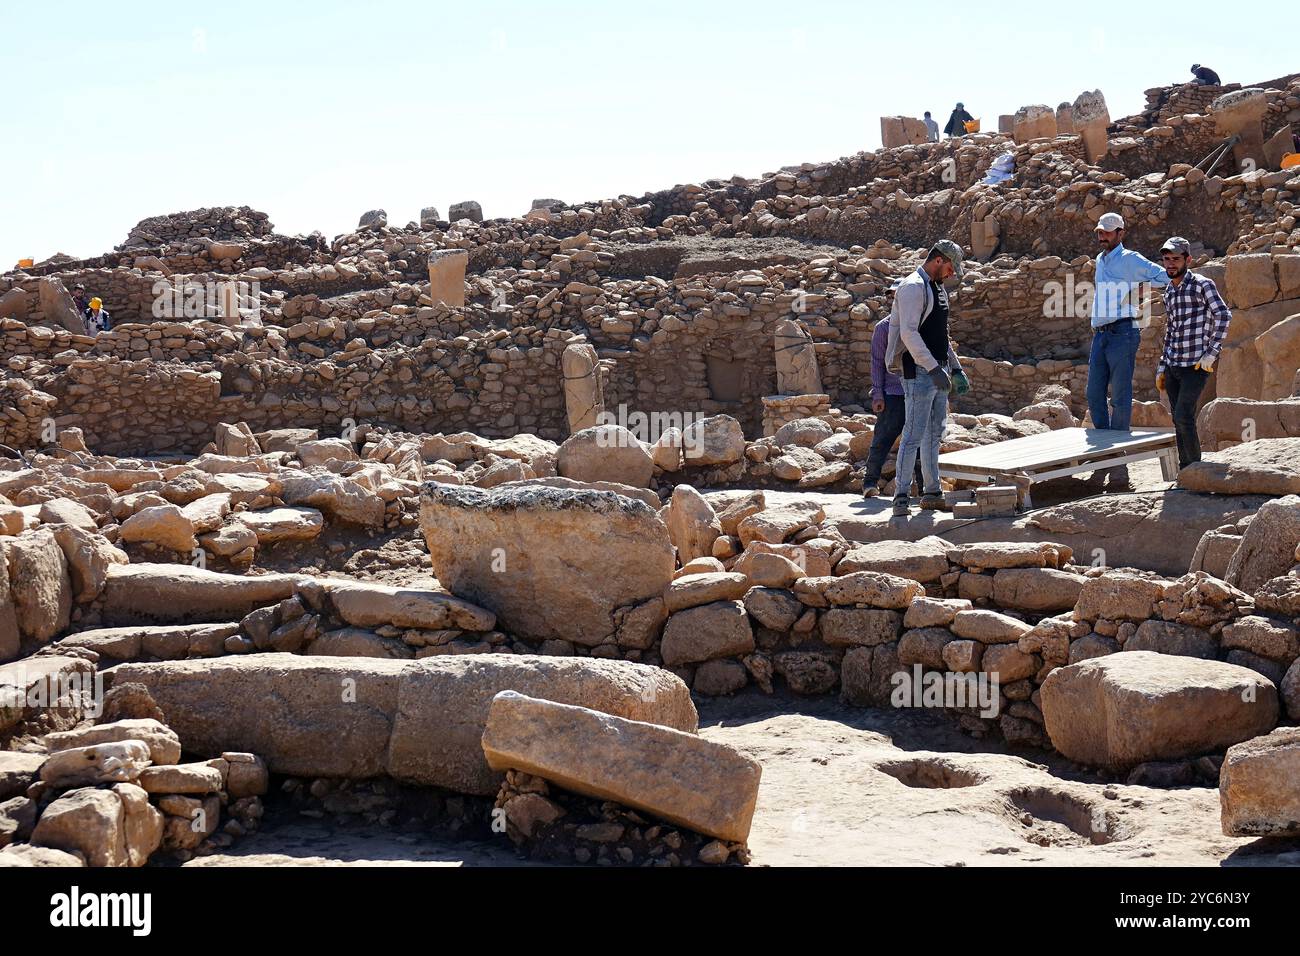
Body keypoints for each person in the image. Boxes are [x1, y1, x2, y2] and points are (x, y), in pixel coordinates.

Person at [885, 239, 971, 517]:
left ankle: (932, 492)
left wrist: (954, 367)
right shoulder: (912, 287)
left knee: (934, 434)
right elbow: (909, 334)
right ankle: (901, 496)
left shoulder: (937, 287)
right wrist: (933, 368)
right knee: (913, 434)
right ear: (937, 260)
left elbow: (939, 336)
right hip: (918, 370)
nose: (951, 273)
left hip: (938, 368)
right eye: (949, 267)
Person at [1087, 212, 1170, 490]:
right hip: (1100, 335)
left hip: (1123, 332)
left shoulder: (1131, 259)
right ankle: (1106, 457)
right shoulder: (1100, 259)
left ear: (1121, 233)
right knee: (1094, 394)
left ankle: (1118, 469)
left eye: (1108, 232)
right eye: (1100, 231)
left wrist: (1142, 289)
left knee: (1120, 398)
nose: (1102, 236)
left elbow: (1163, 277)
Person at [1156, 236, 1231, 470]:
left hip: (1196, 366)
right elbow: (1172, 329)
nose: (1170, 264)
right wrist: (1162, 365)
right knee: (1177, 419)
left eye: (1175, 259)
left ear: (1188, 259)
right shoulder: (1169, 291)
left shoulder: (1202, 284)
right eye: (1167, 259)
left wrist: (1212, 352)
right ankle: (1185, 469)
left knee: (1183, 416)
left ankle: (1194, 468)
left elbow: (1223, 315)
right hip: (1173, 366)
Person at [861, 315, 923, 498]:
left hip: (920, 392)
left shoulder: (921, 322)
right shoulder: (884, 327)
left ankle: (923, 489)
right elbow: (877, 361)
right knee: (882, 439)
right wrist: (878, 393)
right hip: (893, 393)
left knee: (921, 442)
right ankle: (870, 483)